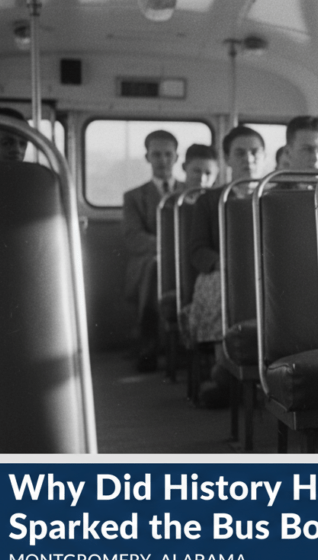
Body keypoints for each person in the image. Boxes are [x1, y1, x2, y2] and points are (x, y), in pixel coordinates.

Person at [185, 125, 265, 406]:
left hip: (268, 272)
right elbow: (197, 250)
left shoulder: (274, 194)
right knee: (222, 287)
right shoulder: (210, 201)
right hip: (225, 272)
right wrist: (226, 263)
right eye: (240, 153)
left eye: (255, 152)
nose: (248, 159)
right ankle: (227, 368)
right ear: (227, 159)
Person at [122, 130, 184, 373]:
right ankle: (147, 342)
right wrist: (166, 249)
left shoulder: (191, 189)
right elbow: (133, 237)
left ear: (176, 157)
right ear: (147, 157)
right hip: (150, 260)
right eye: (156, 154)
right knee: (154, 265)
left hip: (185, 258)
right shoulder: (134, 197)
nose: (163, 160)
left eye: (168, 154)